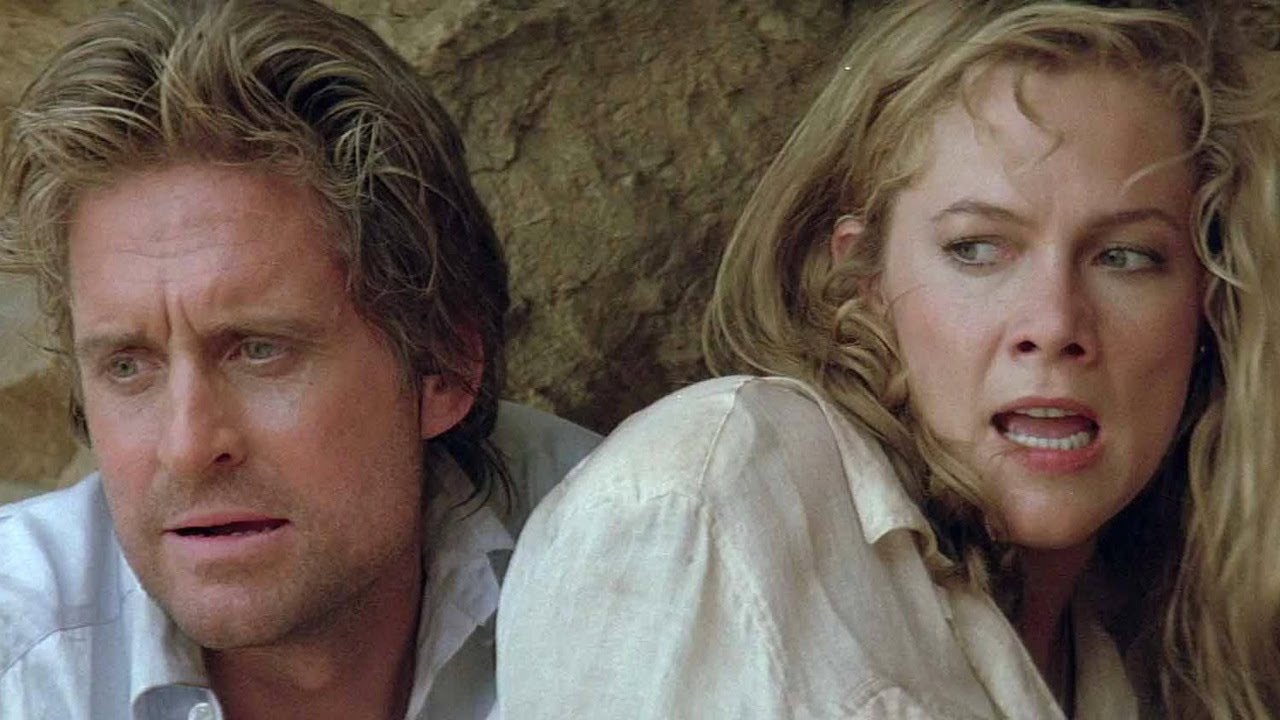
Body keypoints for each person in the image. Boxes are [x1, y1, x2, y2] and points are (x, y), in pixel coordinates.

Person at [497, 1, 1280, 718]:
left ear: (1207, 302)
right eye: (977, 248)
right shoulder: (709, 504)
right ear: (864, 282)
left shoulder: (1142, 650)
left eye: (1126, 256)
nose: (1053, 324)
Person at [0, 1, 600, 718]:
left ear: (443, 363)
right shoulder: (20, 652)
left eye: (259, 351)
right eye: (129, 366)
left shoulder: (635, 570)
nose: (188, 448)